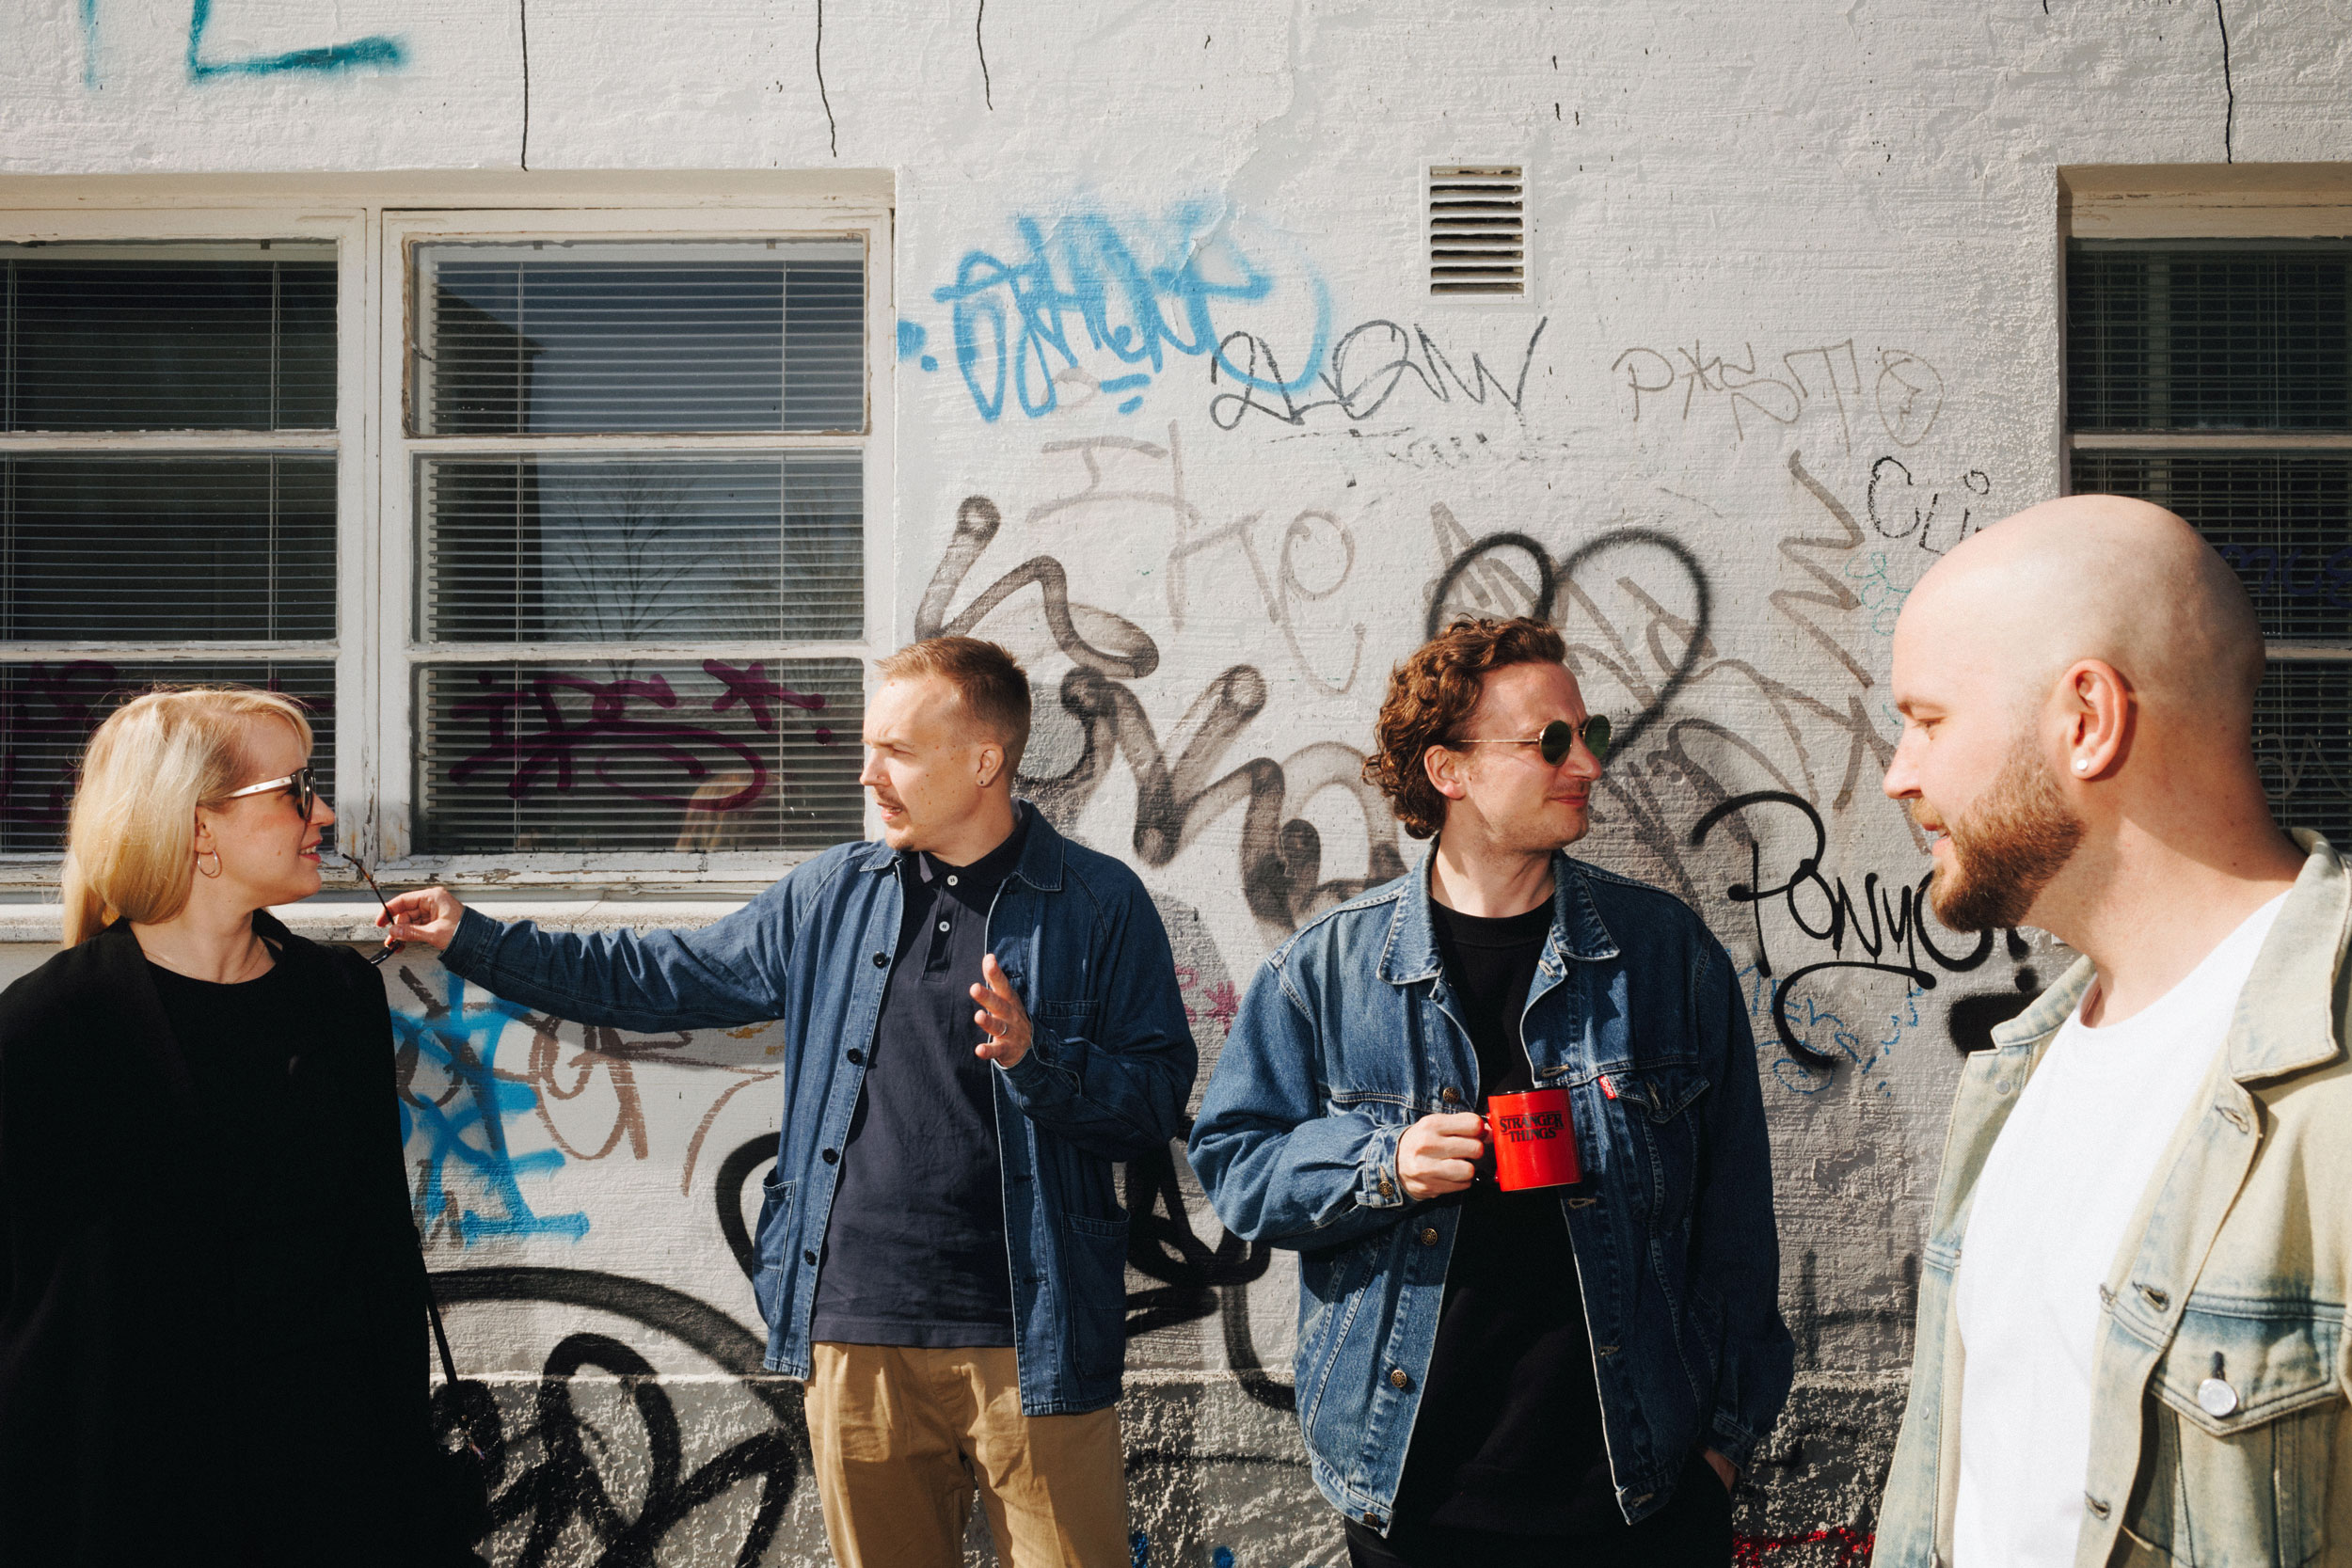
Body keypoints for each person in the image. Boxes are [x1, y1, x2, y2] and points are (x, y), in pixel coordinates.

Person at [380, 635, 1195, 1568]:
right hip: (853, 1339)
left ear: (984, 761)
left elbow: (1152, 1103)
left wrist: (1036, 1057)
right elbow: (655, 976)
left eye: (897, 751)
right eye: (867, 748)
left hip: (1034, 1342)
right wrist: (473, 937)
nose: (867, 775)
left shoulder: (1097, 903)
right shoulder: (831, 896)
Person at [1189, 616, 1792, 1568]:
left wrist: (1722, 1446)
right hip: (1413, 1501)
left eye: (1588, 733)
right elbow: (1236, 1165)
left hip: (1640, 1498)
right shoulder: (1328, 968)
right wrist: (1381, 1164)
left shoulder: (1663, 954)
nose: (1586, 763)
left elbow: (1737, 1220)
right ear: (1449, 770)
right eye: (1549, 741)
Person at [1874, 495, 2352, 1567]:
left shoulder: (2332, 1086)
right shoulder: (2018, 1068)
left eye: (1929, 719)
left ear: (2086, 718)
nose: (1901, 772)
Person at [0, 687, 453, 1566]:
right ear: (198, 825)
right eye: (295, 789)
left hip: (329, 1497)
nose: (324, 812)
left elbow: (382, 1261)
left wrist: (401, 1472)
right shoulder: (49, 1028)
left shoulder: (339, 998)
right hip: (126, 1504)